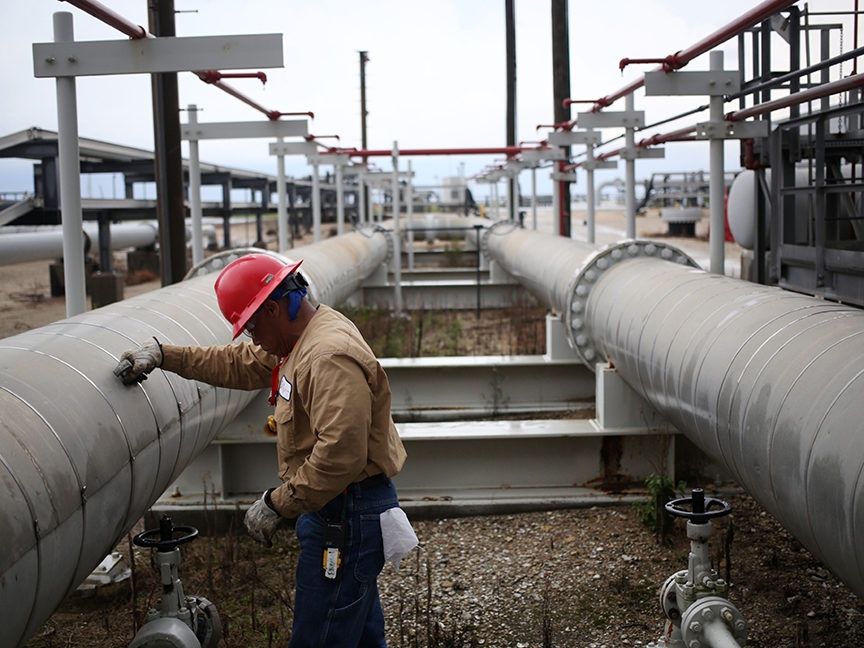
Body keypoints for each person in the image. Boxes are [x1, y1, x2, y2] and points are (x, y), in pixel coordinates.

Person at [115, 253, 414, 648]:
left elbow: (341, 453)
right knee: (357, 634)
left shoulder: (326, 357)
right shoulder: (301, 340)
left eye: (252, 326)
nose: (251, 337)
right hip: (337, 510)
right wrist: (164, 355)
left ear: (274, 309)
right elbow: (238, 363)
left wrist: (278, 503)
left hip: (346, 515)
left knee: (319, 637)